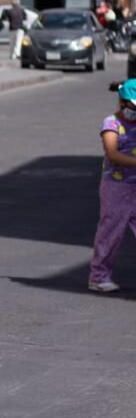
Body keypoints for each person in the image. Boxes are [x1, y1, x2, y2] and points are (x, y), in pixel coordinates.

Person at [89, 79, 136, 293]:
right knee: (111, 231)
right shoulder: (111, 124)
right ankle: (99, 276)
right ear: (124, 103)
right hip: (117, 186)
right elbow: (113, 154)